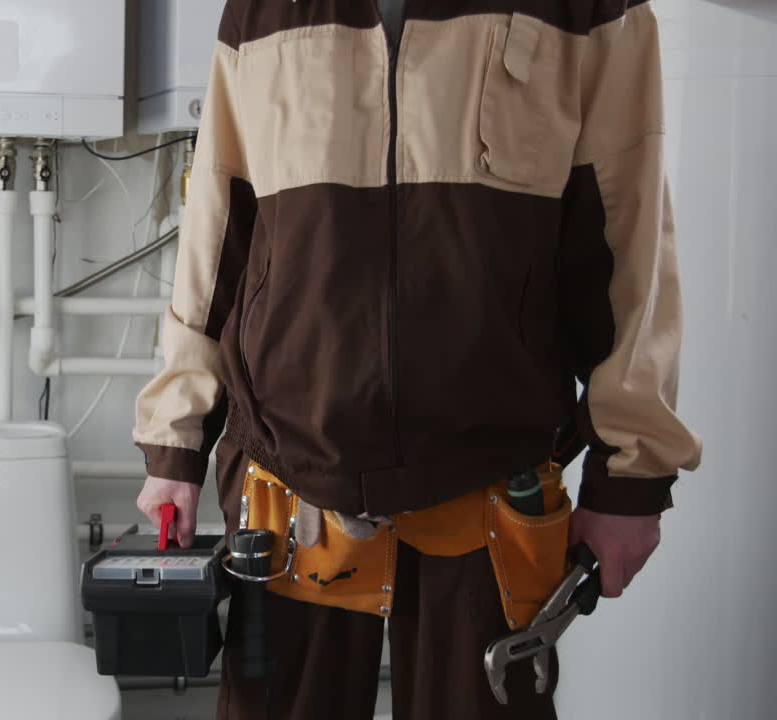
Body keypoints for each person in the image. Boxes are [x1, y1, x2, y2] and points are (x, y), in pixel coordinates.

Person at [132, 1, 703, 718]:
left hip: (493, 480)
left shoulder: (592, 6)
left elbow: (631, 232)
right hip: (289, 480)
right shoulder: (262, 7)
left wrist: (634, 474)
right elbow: (220, 223)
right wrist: (174, 442)